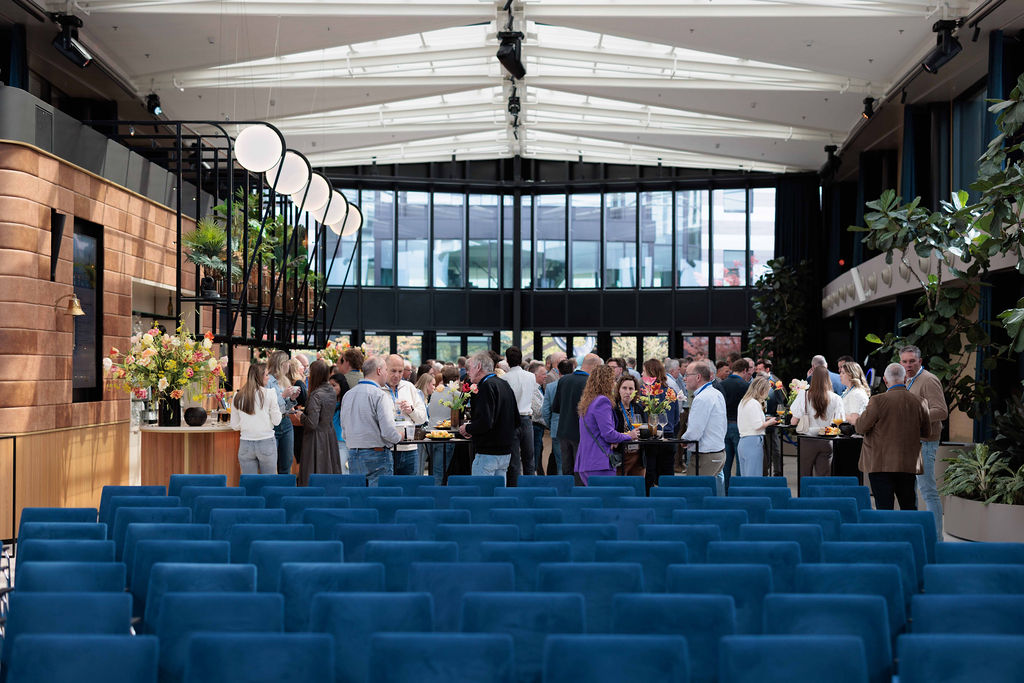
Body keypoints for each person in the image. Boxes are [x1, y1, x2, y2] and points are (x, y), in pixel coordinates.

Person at [855, 363, 931, 510]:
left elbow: (860, 427)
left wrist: (857, 419)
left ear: (885, 380)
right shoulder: (920, 402)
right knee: (908, 507)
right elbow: (927, 433)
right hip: (908, 464)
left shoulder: (877, 400)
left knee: (884, 509)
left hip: (880, 464)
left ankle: (888, 527)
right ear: (905, 379)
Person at [901, 344, 949, 534]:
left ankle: (936, 539)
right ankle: (915, 535)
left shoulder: (928, 380)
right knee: (908, 491)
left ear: (920, 361)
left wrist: (915, 416)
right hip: (909, 443)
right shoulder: (906, 380)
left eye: (912, 361)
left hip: (925, 443)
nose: (908, 365)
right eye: (905, 361)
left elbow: (941, 411)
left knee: (928, 492)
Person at [341, 355, 403, 486]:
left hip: (353, 453)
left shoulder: (348, 395)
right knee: (378, 496)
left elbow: (344, 429)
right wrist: (399, 436)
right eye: (386, 370)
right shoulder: (379, 395)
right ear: (379, 371)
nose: (387, 373)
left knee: (358, 494)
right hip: (376, 454)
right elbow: (387, 431)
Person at [458, 351, 518, 478]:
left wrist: (467, 428)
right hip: (505, 452)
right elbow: (516, 419)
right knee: (498, 490)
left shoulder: (486, 386)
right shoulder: (504, 384)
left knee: (482, 490)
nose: (468, 372)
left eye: (470, 368)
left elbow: (485, 422)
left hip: (488, 451)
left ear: (478, 367)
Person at [575, 365, 639, 485]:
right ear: (606, 382)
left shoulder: (589, 401)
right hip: (599, 462)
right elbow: (609, 434)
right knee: (606, 496)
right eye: (613, 380)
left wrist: (616, 439)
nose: (615, 383)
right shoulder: (602, 401)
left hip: (587, 460)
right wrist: (629, 435)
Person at [679, 360, 729, 494]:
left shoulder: (702, 398)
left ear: (698, 377)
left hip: (706, 455)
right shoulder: (715, 393)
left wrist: (683, 440)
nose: (684, 378)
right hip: (717, 452)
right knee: (714, 493)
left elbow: (694, 432)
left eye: (687, 375)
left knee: (695, 494)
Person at [790, 365, 846, 477]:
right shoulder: (836, 398)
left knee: (804, 476)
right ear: (828, 379)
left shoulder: (804, 395)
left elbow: (793, 422)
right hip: (827, 440)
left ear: (813, 379)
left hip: (807, 441)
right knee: (824, 477)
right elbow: (840, 421)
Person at [553, 353, 602, 476]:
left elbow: (556, 408)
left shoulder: (563, 380)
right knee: (581, 472)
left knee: (567, 471)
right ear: (595, 366)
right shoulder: (591, 383)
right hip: (582, 434)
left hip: (563, 432)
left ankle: (567, 489)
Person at [230, 362, 282, 474]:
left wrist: (247, 424)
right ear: (260, 376)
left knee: (249, 482)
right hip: (266, 442)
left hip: (245, 444)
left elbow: (234, 425)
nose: (268, 378)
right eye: (267, 375)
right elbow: (277, 421)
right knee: (268, 482)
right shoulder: (270, 394)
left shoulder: (237, 396)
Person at [299, 359, 342, 485]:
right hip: (329, 434)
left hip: (315, 439)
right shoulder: (331, 391)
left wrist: (301, 416)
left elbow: (312, 423)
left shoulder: (316, 395)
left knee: (313, 472)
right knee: (328, 470)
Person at [640, 358, 680, 491]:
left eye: (644, 371)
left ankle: (649, 500)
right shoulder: (670, 391)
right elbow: (676, 419)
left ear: (651, 373)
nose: (641, 374)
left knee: (649, 476)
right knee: (667, 477)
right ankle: (668, 500)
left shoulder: (645, 392)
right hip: (669, 437)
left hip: (651, 438)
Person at [385, 354, 428, 475]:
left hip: (410, 448)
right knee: (388, 485)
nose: (397, 375)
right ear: (385, 369)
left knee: (410, 485)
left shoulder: (409, 387)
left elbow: (422, 418)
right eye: (393, 371)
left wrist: (411, 410)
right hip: (387, 449)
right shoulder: (378, 389)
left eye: (400, 371)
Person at [500, 346, 536, 485]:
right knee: (529, 459)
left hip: (511, 420)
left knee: (514, 461)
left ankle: (514, 490)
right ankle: (530, 488)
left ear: (507, 360)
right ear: (521, 359)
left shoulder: (504, 378)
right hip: (527, 419)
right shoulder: (531, 376)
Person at [736, 376, 778, 477]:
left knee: (745, 476)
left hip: (743, 441)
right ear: (762, 390)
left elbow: (749, 420)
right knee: (754, 476)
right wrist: (771, 422)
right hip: (753, 441)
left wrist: (765, 419)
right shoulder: (754, 403)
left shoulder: (744, 401)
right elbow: (757, 426)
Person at [267, 350, 300, 474]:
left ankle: (285, 486)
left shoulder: (284, 380)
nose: (289, 364)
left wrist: (292, 399)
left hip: (286, 423)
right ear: (281, 364)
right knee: (271, 465)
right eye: (287, 362)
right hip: (272, 425)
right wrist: (283, 395)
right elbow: (269, 407)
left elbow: (284, 408)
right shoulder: (268, 382)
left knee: (287, 463)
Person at [718, 359, 750, 492]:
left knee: (725, 463)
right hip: (740, 426)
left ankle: (724, 491)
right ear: (745, 370)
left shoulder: (722, 384)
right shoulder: (745, 386)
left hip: (724, 425)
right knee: (740, 462)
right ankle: (738, 491)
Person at [543, 358, 573, 475]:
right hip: (574, 428)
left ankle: (562, 485)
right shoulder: (576, 385)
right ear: (572, 371)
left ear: (558, 371)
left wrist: (551, 424)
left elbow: (545, 410)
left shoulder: (551, 387)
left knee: (560, 462)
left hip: (556, 427)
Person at [612, 374, 646, 477]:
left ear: (635, 391)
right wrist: (628, 435)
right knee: (620, 484)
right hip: (620, 455)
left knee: (637, 484)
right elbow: (611, 432)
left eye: (631, 388)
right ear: (618, 390)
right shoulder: (613, 409)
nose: (628, 392)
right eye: (624, 388)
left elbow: (644, 429)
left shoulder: (639, 408)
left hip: (638, 456)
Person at [287, 358, 308, 467]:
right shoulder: (299, 383)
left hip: (291, 423)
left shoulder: (288, 383)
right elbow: (305, 402)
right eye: (301, 365)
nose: (303, 368)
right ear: (295, 369)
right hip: (299, 422)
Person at [529, 360, 548, 476]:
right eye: (543, 374)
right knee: (535, 457)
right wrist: (549, 406)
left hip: (539, 427)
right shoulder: (532, 389)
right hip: (535, 426)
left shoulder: (539, 388)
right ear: (535, 375)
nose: (546, 376)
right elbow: (539, 411)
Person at [328, 372, 350, 473]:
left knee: (342, 470)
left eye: (334, 385)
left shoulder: (347, 402)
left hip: (342, 442)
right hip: (329, 441)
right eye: (329, 385)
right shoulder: (328, 401)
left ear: (341, 386)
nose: (331, 388)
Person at [839, 361, 871, 425]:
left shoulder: (856, 394)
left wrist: (839, 415)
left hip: (850, 430)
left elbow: (855, 420)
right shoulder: (849, 391)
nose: (840, 375)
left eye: (843, 373)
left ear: (851, 375)